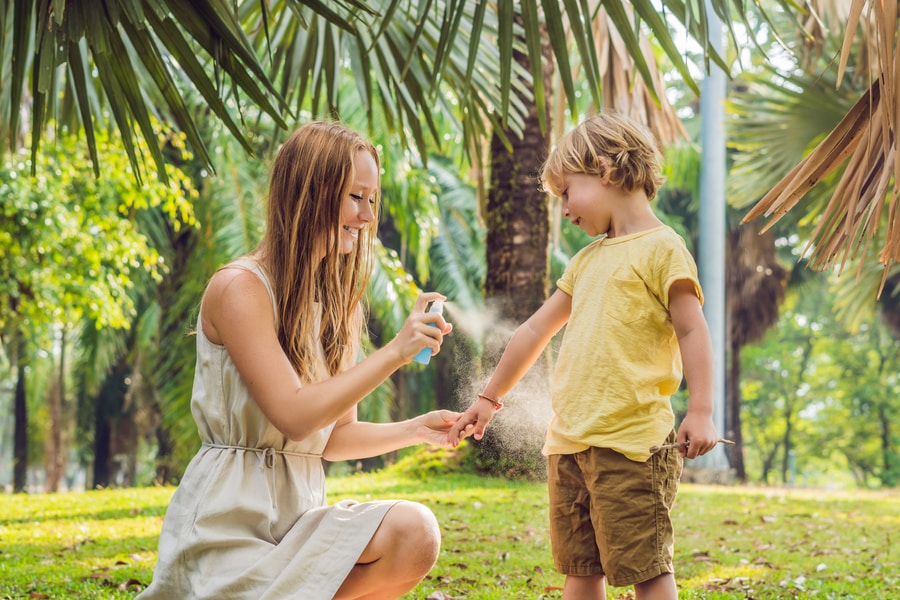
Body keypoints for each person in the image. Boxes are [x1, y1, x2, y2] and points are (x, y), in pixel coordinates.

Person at [138, 121, 458, 600]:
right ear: (311, 192)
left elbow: (332, 438)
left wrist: (415, 429)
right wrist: (395, 352)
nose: (367, 216)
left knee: (416, 532)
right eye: (355, 197)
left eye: (373, 200)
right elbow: (291, 412)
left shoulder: (335, 302)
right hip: (227, 528)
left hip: (299, 523)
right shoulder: (239, 288)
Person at [448, 112, 719, 600]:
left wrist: (700, 410)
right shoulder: (586, 260)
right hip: (569, 445)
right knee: (580, 568)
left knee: (647, 569)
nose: (565, 210)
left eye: (567, 192)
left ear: (606, 168)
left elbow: (692, 328)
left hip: (632, 446)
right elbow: (533, 331)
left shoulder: (663, 249)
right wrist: (489, 397)